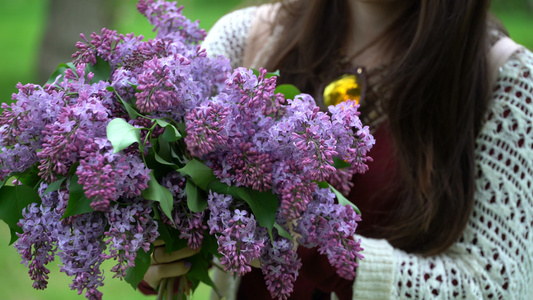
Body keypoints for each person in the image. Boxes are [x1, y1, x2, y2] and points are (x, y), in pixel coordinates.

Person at [141, 0, 533, 299]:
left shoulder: (508, 82)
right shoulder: (249, 39)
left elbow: (495, 285)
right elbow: (174, 184)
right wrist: (158, 251)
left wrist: (315, 244)